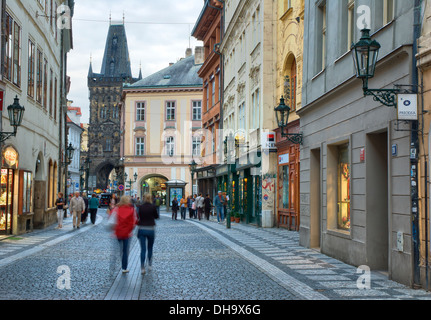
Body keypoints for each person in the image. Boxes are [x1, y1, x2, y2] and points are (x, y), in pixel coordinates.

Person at [136, 193, 159, 275]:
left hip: (142, 229)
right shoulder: (153, 207)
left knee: (143, 249)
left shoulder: (140, 207)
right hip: (151, 229)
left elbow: (138, 216)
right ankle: (149, 264)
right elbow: (156, 216)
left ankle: (142, 267)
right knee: (150, 248)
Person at [113, 196, 137, 273]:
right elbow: (133, 222)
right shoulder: (131, 209)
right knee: (125, 251)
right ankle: (124, 267)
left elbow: (113, 220)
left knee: (120, 249)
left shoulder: (117, 209)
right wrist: (129, 230)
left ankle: (116, 263)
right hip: (127, 233)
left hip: (118, 232)